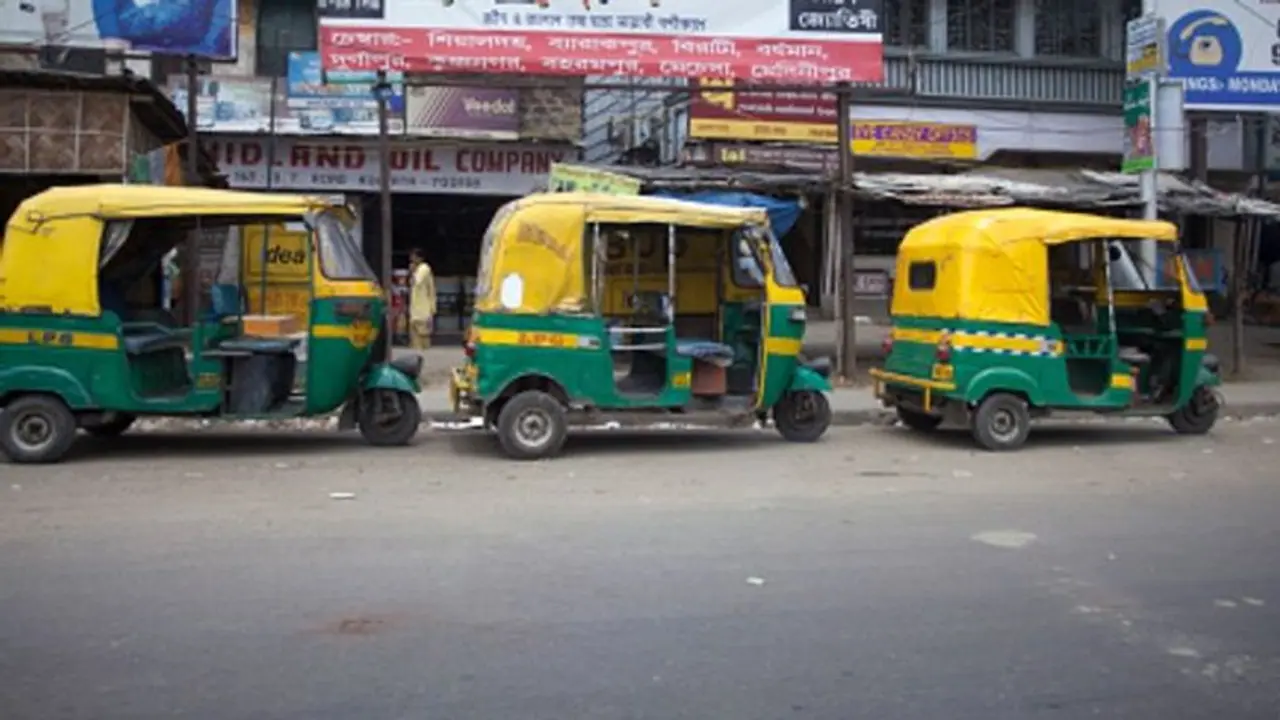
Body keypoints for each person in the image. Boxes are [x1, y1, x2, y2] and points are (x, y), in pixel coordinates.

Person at [409, 249, 436, 354]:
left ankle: (424, 354)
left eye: (414, 257)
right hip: (416, 308)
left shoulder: (424, 268)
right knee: (414, 337)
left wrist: (413, 271)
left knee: (423, 335)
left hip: (423, 308)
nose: (412, 259)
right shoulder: (418, 269)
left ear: (420, 258)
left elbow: (418, 281)